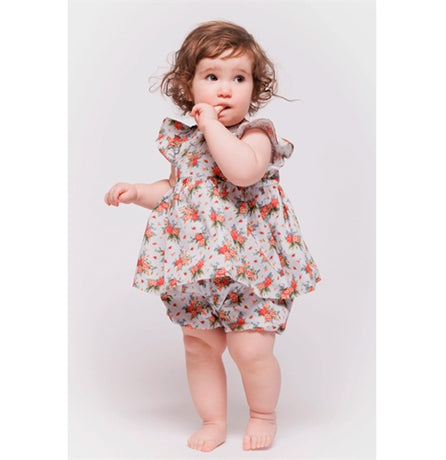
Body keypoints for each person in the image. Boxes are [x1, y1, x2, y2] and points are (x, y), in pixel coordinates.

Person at [104, 20, 321, 452]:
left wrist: (212, 128)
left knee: (250, 350)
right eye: (212, 77)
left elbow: (242, 172)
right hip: (197, 267)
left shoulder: (256, 135)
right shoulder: (186, 144)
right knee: (199, 347)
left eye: (239, 79)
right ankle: (213, 420)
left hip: (251, 270)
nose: (225, 90)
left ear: (254, 88)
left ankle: (263, 414)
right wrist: (140, 193)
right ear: (188, 86)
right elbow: (178, 191)